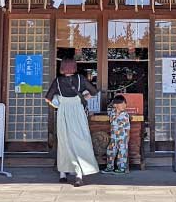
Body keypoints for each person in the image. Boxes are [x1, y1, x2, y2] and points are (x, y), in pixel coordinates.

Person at [45, 58, 99, 187]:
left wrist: (58, 103)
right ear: (74, 67)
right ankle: (79, 173)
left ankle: (63, 173)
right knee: (81, 141)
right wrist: (83, 97)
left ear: (62, 68)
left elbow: (47, 98)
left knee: (64, 142)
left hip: (63, 113)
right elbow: (94, 92)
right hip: (78, 113)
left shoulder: (58, 81)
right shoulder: (81, 79)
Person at [102, 95, 130, 175]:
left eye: (125, 104)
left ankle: (121, 168)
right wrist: (113, 103)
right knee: (110, 151)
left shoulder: (125, 115)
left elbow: (128, 128)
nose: (124, 105)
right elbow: (109, 107)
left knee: (122, 153)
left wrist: (127, 138)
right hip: (113, 137)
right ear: (116, 105)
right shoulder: (112, 112)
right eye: (122, 103)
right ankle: (110, 167)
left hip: (122, 138)